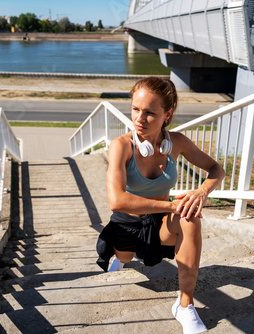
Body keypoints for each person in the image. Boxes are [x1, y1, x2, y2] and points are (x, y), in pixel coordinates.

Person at [96, 76, 225, 333]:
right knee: (124, 257)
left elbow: (216, 168)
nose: (139, 119)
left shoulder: (176, 143)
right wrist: (172, 206)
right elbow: (116, 201)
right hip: (127, 224)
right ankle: (120, 261)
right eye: (135, 109)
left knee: (190, 217)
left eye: (149, 113)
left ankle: (184, 305)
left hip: (160, 224)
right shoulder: (121, 146)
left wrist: (202, 192)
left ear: (167, 114)